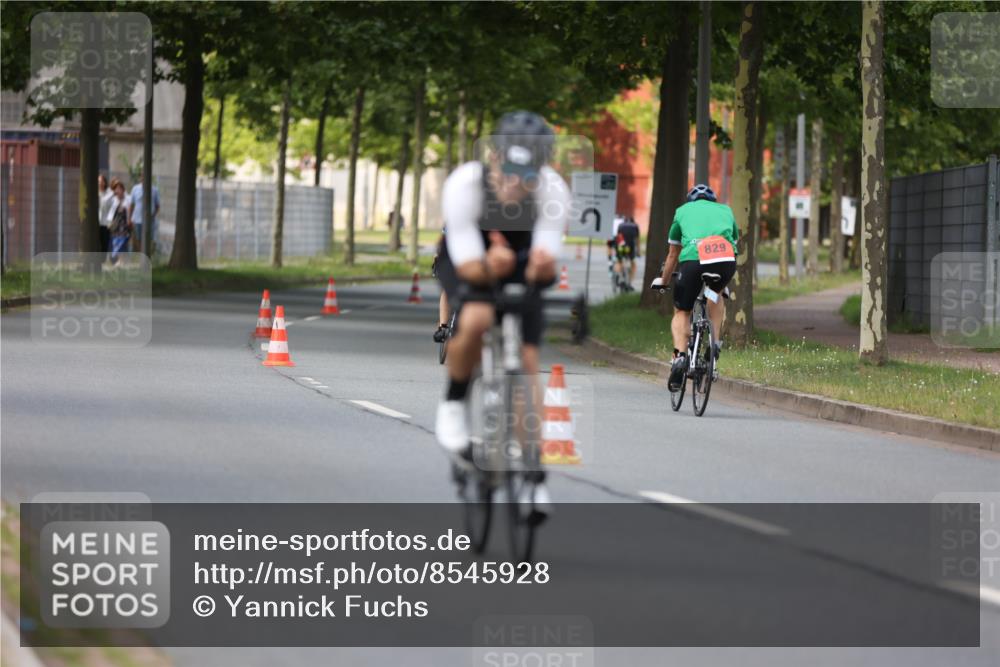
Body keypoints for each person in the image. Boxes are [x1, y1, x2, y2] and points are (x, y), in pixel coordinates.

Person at [435, 111, 570, 514]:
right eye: (508, 170)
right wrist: (490, 265)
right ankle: (454, 403)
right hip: (471, 247)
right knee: (476, 319)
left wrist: (538, 266)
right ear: (493, 159)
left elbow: (543, 260)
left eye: (526, 173)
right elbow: (470, 266)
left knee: (527, 359)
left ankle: (530, 475)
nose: (515, 183)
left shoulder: (552, 191)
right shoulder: (465, 185)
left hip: (524, 246)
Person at [650, 184, 738, 390]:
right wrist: (724, 283)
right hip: (724, 261)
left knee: (682, 310)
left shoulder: (682, 211)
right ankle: (715, 343)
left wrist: (663, 281)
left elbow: (673, 254)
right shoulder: (726, 210)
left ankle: (680, 356)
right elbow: (734, 244)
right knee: (715, 294)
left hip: (693, 260)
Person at [128, 171, 160, 254]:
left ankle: (148, 255)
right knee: (138, 239)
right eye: (142, 176)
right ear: (140, 178)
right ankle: (142, 256)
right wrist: (129, 218)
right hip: (137, 220)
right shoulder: (135, 189)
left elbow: (157, 206)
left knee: (149, 239)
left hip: (150, 221)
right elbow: (131, 205)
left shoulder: (155, 190)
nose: (144, 178)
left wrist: (153, 215)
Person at [107, 178, 132, 265]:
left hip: (124, 226)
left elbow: (129, 210)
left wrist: (129, 220)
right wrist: (109, 223)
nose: (118, 190)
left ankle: (122, 261)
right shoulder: (113, 199)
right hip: (115, 226)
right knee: (115, 243)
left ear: (123, 189)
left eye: (119, 188)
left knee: (122, 243)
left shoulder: (128, 198)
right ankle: (117, 261)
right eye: (116, 189)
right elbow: (109, 211)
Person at [614, 215, 641, 285]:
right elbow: (637, 240)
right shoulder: (635, 226)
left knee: (619, 261)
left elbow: (618, 237)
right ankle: (629, 282)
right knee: (633, 264)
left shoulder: (620, 225)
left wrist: (617, 249)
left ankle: (618, 275)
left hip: (621, 244)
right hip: (630, 246)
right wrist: (638, 251)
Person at [97, 173, 114, 255]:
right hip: (97, 222)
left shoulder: (109, 193)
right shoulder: (94, 193)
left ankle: (102, 260)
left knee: (105, 242)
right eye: (98, 181)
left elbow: (112, 208)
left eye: (100, 181)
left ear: (104, 182)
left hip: (106, 222)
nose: (99, 183)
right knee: (97, 241)